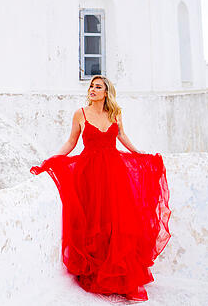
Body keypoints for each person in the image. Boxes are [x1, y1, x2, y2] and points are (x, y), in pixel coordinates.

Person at [30, 75, 171, 302]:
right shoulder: (80, 114)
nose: (93, 90)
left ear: (106, 92)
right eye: (91, 86)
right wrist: (52, 160)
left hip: (114, 173)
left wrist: (140, 154)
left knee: (117, 222)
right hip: (89, 174)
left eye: (98, 87)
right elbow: (71, 142)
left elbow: (122, 136)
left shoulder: (115, 113)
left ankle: (118, 275)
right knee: (94, 222)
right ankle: (97, 271)